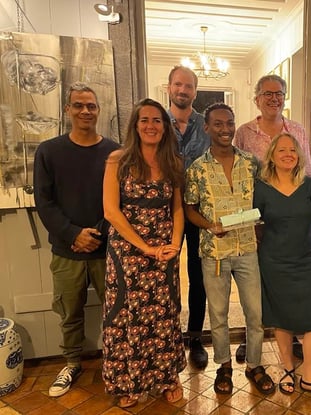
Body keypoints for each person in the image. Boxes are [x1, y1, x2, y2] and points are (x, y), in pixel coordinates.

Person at [33, 82, 120, 397]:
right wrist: (73, 234)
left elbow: (121, 201)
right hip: (67, 250)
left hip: (106, 250)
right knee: (69, 312)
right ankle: (71, 363)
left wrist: (97, 234)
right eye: (79, 105)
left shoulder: (115, 152)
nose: (85, 111)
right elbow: (44, 202)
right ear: (67, 109)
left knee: (116, 311)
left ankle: (116, 362)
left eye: (91, 106)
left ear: (98, 110)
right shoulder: (49, 151)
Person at [184, 102, 275, 396]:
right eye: (218, 124)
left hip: (247, 248)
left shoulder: (251, 163)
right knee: (219, 314)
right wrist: (209, 225)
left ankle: (254, 365)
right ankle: (223, 365)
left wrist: (261, 228)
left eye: (230, 123)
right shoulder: (197, 168)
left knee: (255, 314)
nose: (225, 129)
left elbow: (264, 200)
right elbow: (189, 208)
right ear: (207, 127)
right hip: (214, 252)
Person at [102, 98, 187, 408]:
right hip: (127, 253)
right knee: (128, 316)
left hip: (164, 252)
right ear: (135, 126)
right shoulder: (118, 160)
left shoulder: (173, 162)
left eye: (157, 120)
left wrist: (175, 245)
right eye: (145, 120)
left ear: (165, 127)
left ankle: (167, 377)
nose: (151, 126)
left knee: (164, 313)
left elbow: (177, 209)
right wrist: (144, 247)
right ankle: (128, 381)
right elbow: (111, 211)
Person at [254, 132, 311, 403]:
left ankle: (309, 376)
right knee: (282, 317)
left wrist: (308, 243)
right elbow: (255, 223)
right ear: (272, 156)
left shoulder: (310, 185)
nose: (288, 154)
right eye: (282, 150)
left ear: (299, 155)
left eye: (293, 150)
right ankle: (288, 370)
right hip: (274, 262)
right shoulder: (261, 188)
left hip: (307, 261)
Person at [233, 74, 311, 361]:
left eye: (279, 93)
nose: (273, 98)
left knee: (290, 280)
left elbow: (307, 171)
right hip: (256, 220)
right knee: (254, 283)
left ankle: (293, 334)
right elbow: (238, 174)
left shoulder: (298, 130)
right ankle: (252, 335)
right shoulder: (243, 133)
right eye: (267, 93)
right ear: (257, 99)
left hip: (291, 220)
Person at [167, 65, 209, 369]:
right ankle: (167, 337)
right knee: (164, 275)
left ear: (195, 91)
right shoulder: (156, 121)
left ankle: (195, 337)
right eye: (178, 84)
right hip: (162, 212)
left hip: (198, 210)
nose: (183, 90)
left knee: (198, 276)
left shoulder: (206, 125)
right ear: (169, 87)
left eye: (189, 86)